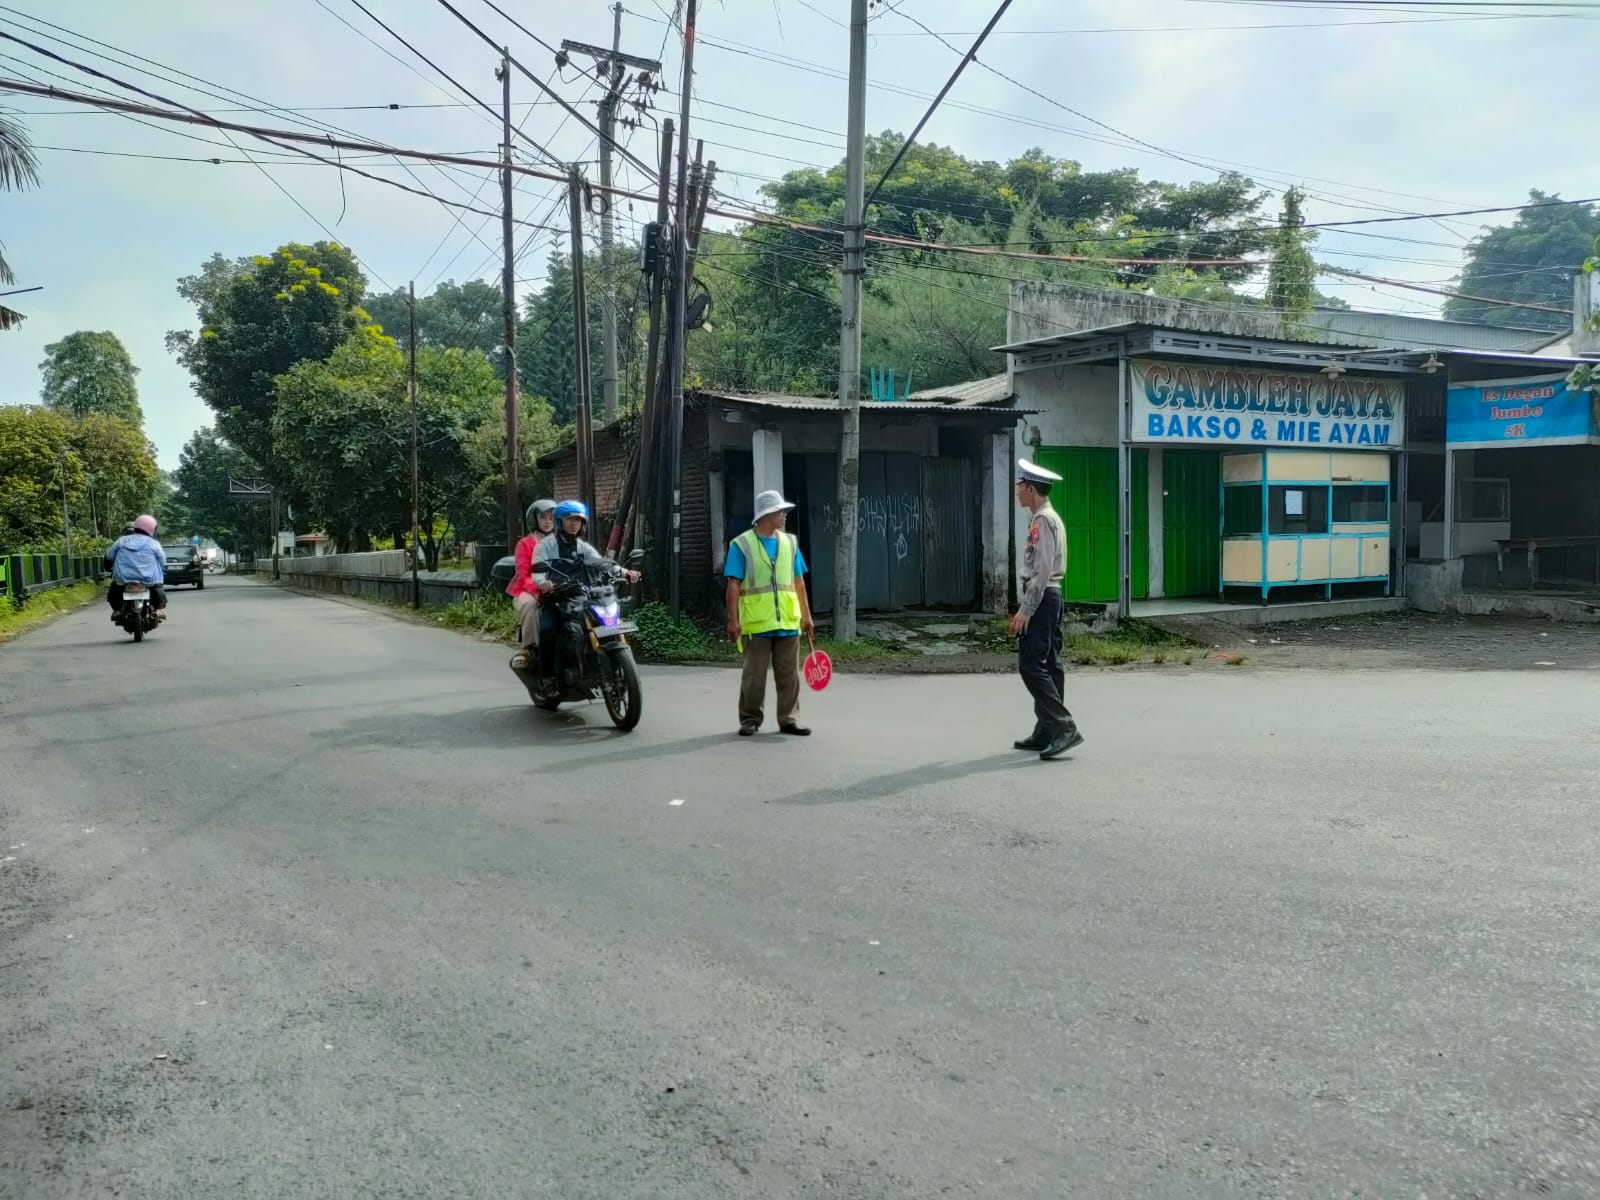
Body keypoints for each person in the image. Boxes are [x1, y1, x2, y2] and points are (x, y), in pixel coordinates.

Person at [724, 489, 816, 738]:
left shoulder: (790, 543)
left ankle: (790, 718)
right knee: (754, 677)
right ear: (766, 515)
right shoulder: (741, 545)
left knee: (790, 676)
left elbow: (798, 582)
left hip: (788, 620)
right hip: (757, 623)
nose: (784, 515)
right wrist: (733, 621)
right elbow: (733, 585)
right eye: (780, 511)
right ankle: (750, 719)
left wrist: (806, 615)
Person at [1008, 461, 1084, 760]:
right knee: (1050, 664)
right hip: (1049, 596)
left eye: (1020, 486)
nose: (1017, 491)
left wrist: (1025, 610)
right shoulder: (1044, 518)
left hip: (1042, 597)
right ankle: (1047, 729)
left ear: (1031, 489)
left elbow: (1041, 571)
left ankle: (1064, 726)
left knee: (1031, 665)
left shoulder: (1043, 520)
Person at [533, 500, 639, 689]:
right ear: (559, 522)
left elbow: (603, 564)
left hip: (583, 597)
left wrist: (625, 572)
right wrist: (543, 582)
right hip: (557, 598)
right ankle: (548, 678)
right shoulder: (545, 546)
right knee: (548, 629)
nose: (574, 523)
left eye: (578, 520)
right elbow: (537, 571)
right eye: (569, 519)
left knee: (605, 620)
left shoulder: (583, 547)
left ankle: (594, 662)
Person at [507, 499, 556, 670]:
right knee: (530, 605)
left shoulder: (563, 542)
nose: (548, 521)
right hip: (530, 588)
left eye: (551, 517)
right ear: (535, 520)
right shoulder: (525, 543)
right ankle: (528, 649)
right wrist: (538, 589)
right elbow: (522, 574)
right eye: (543, 517)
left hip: (560, 586)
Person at [105, 514, 169, 622]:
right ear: (152, 529)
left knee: (114, 591)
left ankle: (117, 611)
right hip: (148, 579)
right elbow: (162, 561)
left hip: (123, 579)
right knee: (158, 588)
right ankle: (158, 610)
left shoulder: (121, 541)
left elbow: (109, 556)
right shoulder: (153, 543)